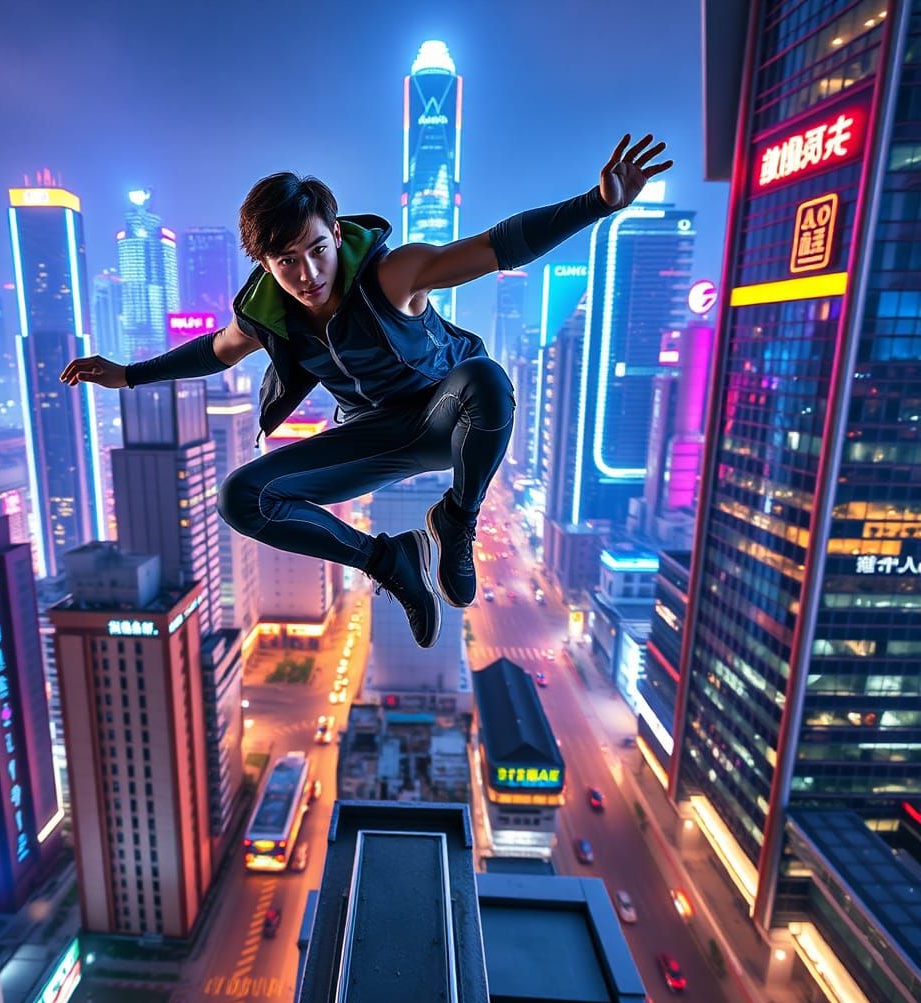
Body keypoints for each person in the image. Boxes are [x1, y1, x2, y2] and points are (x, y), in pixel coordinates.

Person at [62, 133, 672, 649]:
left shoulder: (393, 273)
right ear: (265, 263)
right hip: (372, 437)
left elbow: (495, 247)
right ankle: (394, 563)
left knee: (488, 379)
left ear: (336, 232)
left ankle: (455, 522)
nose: (308, 274)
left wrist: (596, 204)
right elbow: (214, 351)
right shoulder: (271, 313)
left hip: (449, 414)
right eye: (286, 261)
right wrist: (127, 374)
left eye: (318, 250)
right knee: (241, 499)